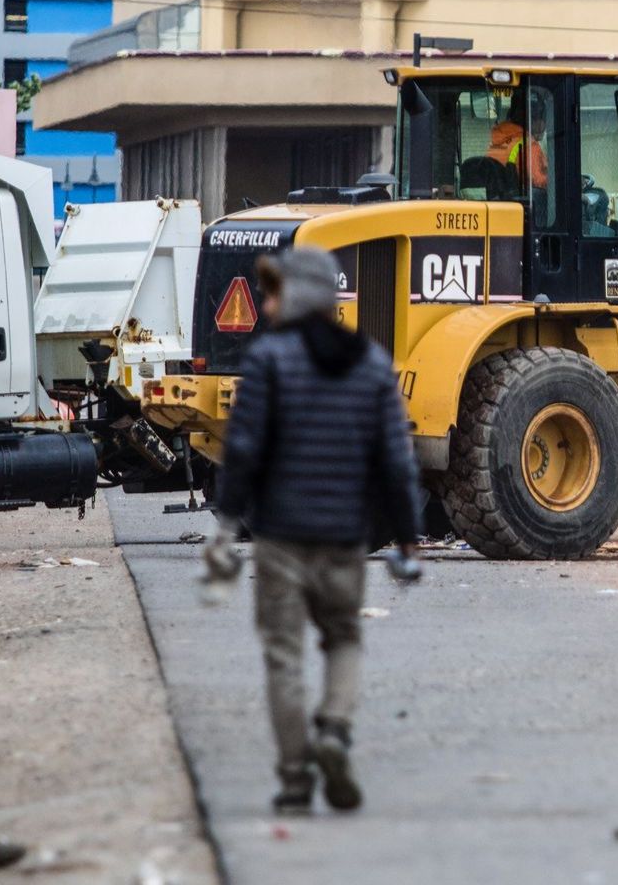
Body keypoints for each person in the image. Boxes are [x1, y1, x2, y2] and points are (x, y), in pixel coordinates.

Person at [205, 245, 423, 815]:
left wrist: (226, 526)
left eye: (275, 294)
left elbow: (244, 449)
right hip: (345, 539)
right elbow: (395, 462)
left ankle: (296, 777)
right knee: (344, 639)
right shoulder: (372, 363)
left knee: (283, 657)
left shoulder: (268, 360)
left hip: (279, 539)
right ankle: (334, 731)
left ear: (297, 295)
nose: (269, 306)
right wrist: (405, 538)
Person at [485, 91, 550, 191]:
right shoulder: (530, 146)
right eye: (543, 120)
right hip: (522, 202)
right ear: (532, 120)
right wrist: (556, 179)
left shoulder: (496, 143)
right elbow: (538, 181)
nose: (545, 126)